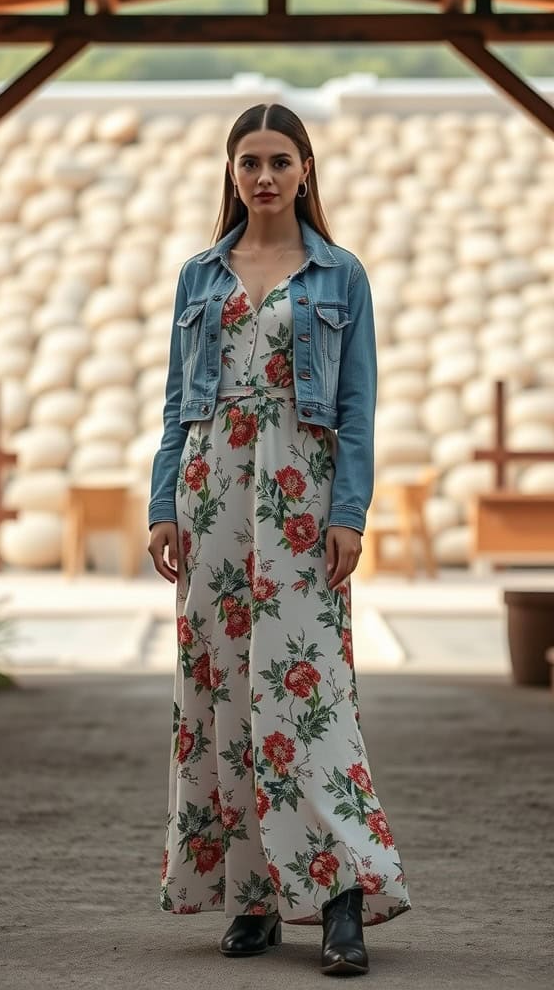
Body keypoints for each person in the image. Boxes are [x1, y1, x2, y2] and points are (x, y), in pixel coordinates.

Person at [147, 102, 411, 976]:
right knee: (222, 691)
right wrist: (161, 505)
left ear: (306, 171)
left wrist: (349, 514)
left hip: (301, 491)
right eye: (250, 161)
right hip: (211, 488)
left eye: (281, 161)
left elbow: (359, 410)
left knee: (308, 695)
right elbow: (176, 405)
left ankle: (341, 900)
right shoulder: (199, 275)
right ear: (232, 173)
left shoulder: (341, 277)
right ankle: (252, 897)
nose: (264, 176)